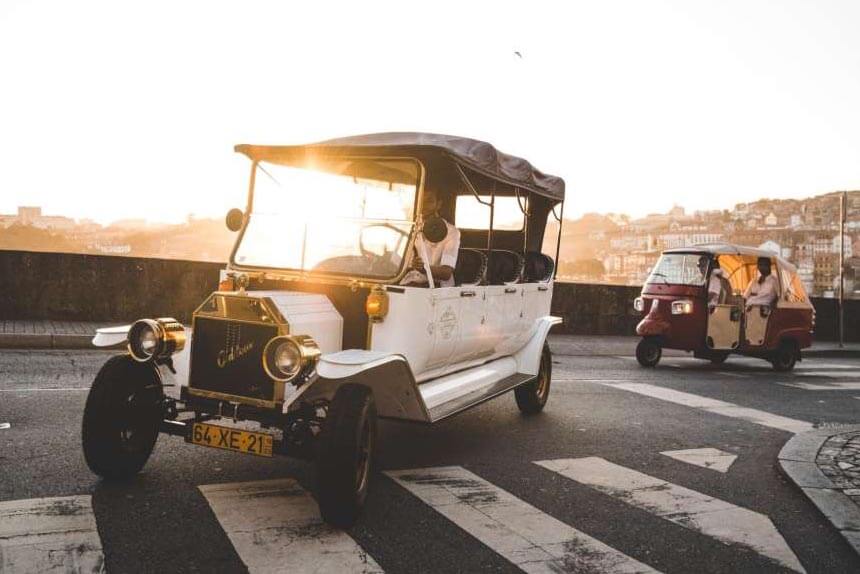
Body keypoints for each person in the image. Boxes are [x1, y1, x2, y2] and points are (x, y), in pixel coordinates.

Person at [400, 189, 460, 287]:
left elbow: (446, 273)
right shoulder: (411, 227)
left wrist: (423, 268)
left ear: (438, 204)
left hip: (436, 288)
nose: (423, 205)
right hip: (410, 283)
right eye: (420, 201)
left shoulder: (451, 232)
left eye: (429, 201)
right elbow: (399, 263)